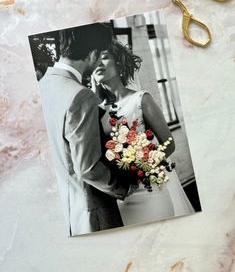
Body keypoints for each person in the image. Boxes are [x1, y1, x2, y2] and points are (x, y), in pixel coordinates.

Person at [38, 24, 129, 236]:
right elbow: (87, 168)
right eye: (100, 56)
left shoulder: (43, 86)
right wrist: (124, 187)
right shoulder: (80, 95)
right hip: (93, 213)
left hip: (66, 212)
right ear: (92, 53)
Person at [92, 40, 194, 225]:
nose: (98, 64)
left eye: (104, 58)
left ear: (119, 64)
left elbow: (169, 143)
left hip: (150, 190)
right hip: (120, 197)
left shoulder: (141, 99)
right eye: (94, 59)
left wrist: (141, 166)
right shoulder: (96, 111)